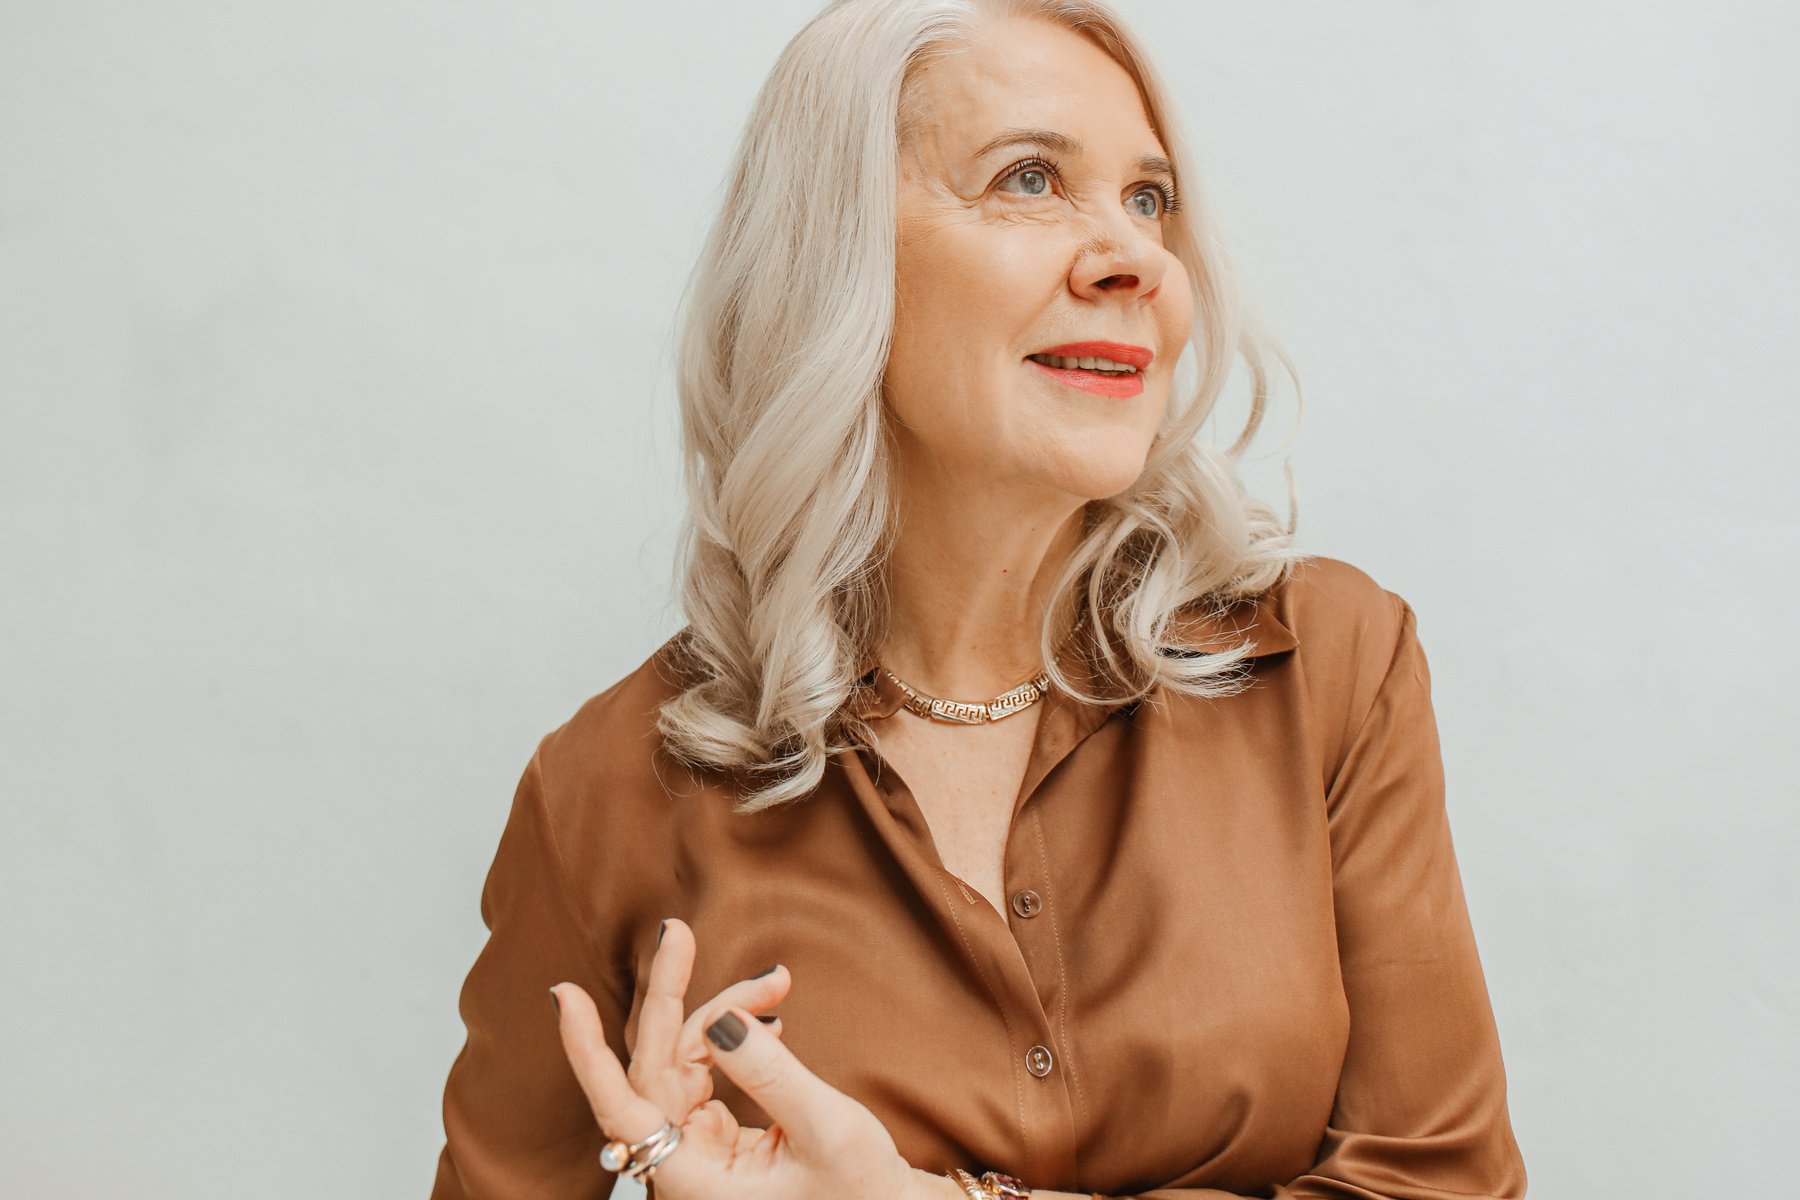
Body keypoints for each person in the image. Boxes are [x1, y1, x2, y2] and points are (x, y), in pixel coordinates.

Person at [430, 1, 1527, 1198]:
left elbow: (1448, 1185)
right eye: (1029, 180)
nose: (1135, 257)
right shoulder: (603, 794)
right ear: (834, 255)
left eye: (1148, 199)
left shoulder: (1328, 667)